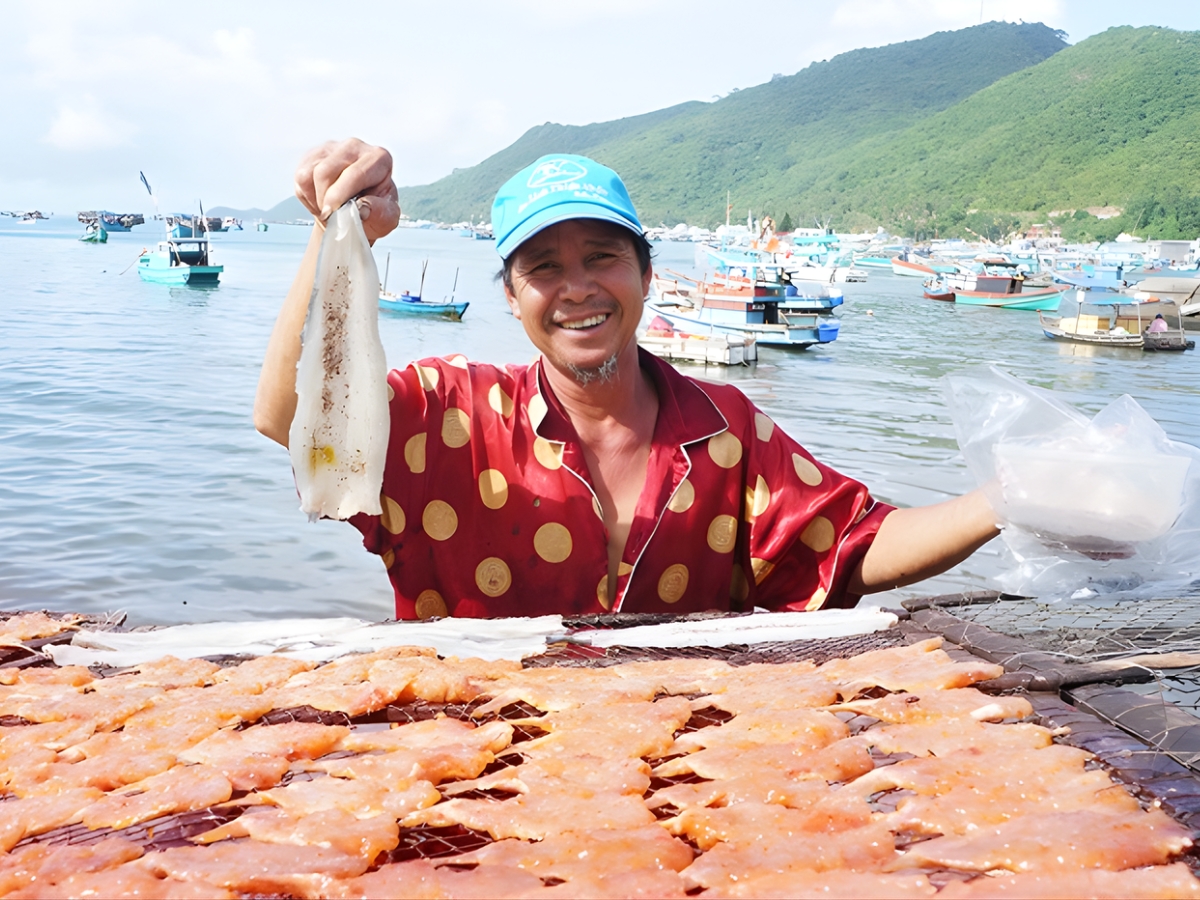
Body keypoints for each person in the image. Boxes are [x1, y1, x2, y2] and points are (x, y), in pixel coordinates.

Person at [255, 138, 1000, 620]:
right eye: (543, 268)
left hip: (672, 788)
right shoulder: (449, 416)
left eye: (601, 258)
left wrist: (1008, 499)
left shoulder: (724, 429)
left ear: (646, 276)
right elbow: (295, 420)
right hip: (470, 780)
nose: (576, 287)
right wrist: (337, 225)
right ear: (512, 299)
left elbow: (852, 544)